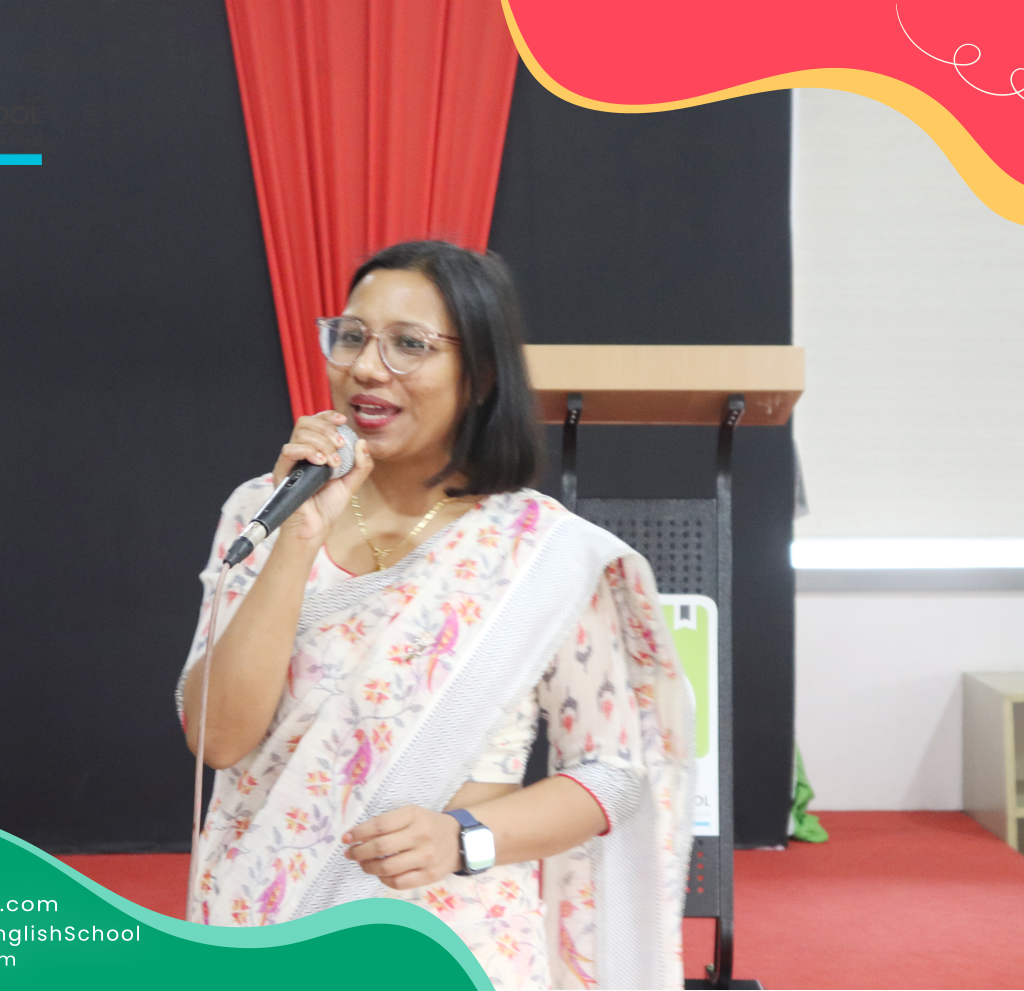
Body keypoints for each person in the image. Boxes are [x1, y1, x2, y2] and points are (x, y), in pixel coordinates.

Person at [177, 241, 693, 990]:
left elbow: (614, 775)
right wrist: (297, 539)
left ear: (479, 375)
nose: (366, 366)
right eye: (352, 336)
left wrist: (463, 839)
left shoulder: (542, 553)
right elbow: (218, 739)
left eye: (408, 344)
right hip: (265, 925)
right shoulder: (262, 511)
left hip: (445, 938)